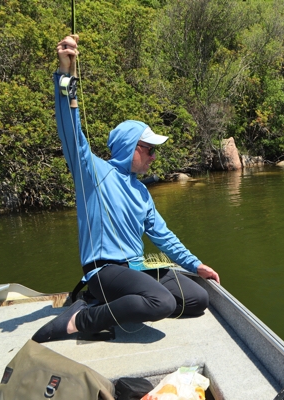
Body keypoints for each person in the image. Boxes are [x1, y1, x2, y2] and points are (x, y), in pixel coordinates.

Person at [32, 35, 220, 343]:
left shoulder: (142, 192)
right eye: (147, 149)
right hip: (104, 273)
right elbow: (70, 133)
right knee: (163, 302)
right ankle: (82, 319)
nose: (153, 156)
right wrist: (66, 76)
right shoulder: (93, 173)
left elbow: (163, 236)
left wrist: (194, 264)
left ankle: (119, 307)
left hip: (136, 271)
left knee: (198, 299)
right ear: (128, 147)